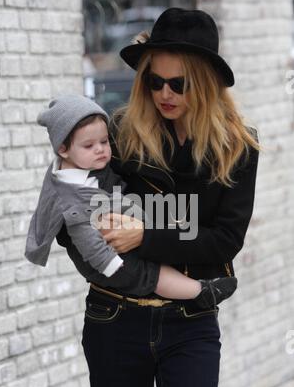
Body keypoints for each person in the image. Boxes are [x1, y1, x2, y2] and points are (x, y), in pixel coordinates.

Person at [56, 8, 261, 387]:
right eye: (154, 81)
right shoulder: (119, 134)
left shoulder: (237, 148)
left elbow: (223, 242)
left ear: (204, 84)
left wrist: (144, 236)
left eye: (178, 84)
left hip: (191, 321)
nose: (164, 93)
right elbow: (72, 219)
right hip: (115, 316)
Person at [25, 94, 237, 307]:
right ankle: (201, 292)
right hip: (106, 259)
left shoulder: (85, 165)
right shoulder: (71, 200)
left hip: (120, 233)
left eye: (104, 141)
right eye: (89, 145)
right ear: (63, 149)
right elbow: (87, 242)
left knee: (155, 253)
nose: (100, 149)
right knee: (150, 274)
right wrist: (113, 266)